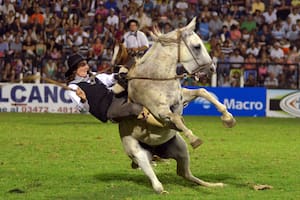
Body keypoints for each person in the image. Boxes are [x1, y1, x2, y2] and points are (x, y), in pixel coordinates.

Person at [65, 53, 162, 126]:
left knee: (134, 84)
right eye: (83, 65)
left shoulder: (92, 75)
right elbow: (83, 110)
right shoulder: (73, 87)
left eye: (86, 64)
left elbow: (108, 78)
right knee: (133, 108)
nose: (87, 67)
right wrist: (83, 99)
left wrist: (118, 75)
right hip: (108, 110)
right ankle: (161, 125)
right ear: (74, 70)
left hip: (114, 97)